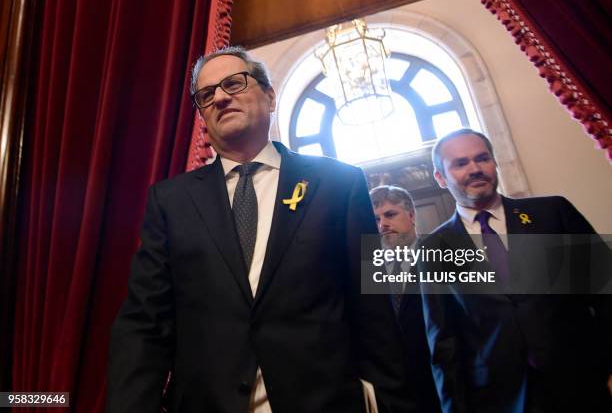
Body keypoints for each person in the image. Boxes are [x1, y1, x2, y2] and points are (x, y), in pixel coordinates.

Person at [106, 46, 415, 413]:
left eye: (234, 84)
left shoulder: (337, 184)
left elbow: (372, 311)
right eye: (206, 95)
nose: (220, 97)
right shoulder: (170, 201)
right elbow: (145, 323)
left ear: (269, 96)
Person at [418, 128, 612, 413]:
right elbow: (444, 342)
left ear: (494, 163)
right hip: (499, 399)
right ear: (440, 177)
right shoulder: (433, 248)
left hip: (582, 383)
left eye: (482, 158)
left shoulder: (552, 213)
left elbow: (605, 292)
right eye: (460, 163)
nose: (475, 169)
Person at [370, 185, 442, 413]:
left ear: (411, 215)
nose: (383, 224)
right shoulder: (364, 267)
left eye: (390, 214)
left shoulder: (440, 253)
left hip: (440, 381)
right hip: (392, 394)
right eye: (376, 219)